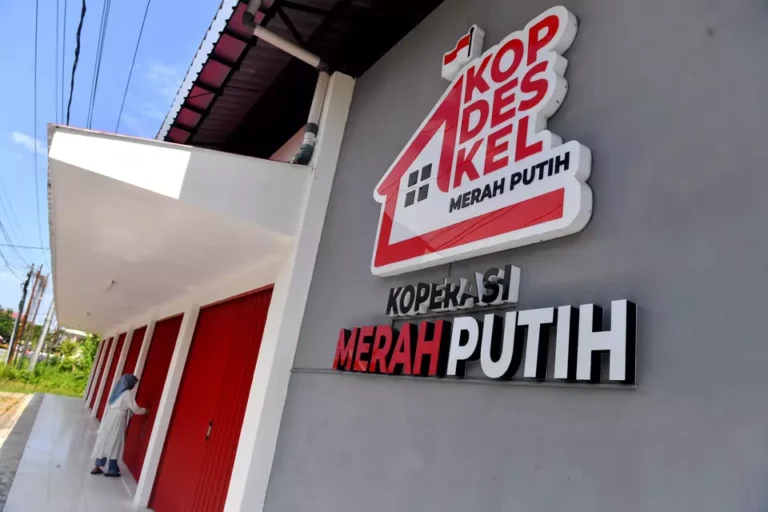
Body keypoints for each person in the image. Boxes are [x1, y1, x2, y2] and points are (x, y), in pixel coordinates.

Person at [90, 374, 147, 477]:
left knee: (105, 440)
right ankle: (112, 469)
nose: (134, 386)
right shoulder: (127, 393)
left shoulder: (116, 392)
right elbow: (135, 409)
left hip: (109, 418)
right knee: (115, 441)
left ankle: (98, 466)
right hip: (118, 420)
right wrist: (145, 411)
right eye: (133, 383)